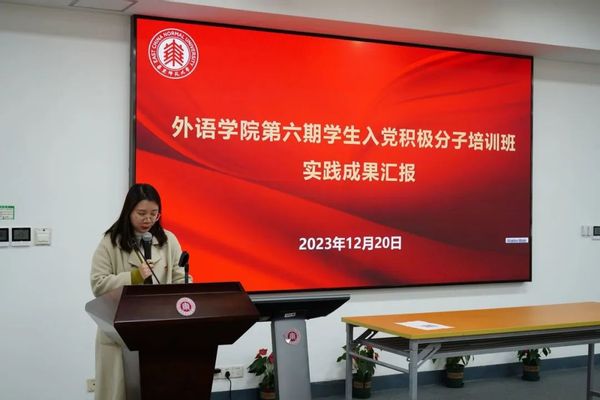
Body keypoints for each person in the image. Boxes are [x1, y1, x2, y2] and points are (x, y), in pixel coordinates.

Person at [90, 183, 185, 400]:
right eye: (141, 213)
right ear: (129, 211)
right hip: (120, 331)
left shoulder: (168, 240)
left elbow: (180, 278)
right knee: (121, 392)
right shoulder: (110, 242)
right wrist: (134, 277)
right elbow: (98, 284)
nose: (148, 219)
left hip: (159, 327)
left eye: (154, 214)